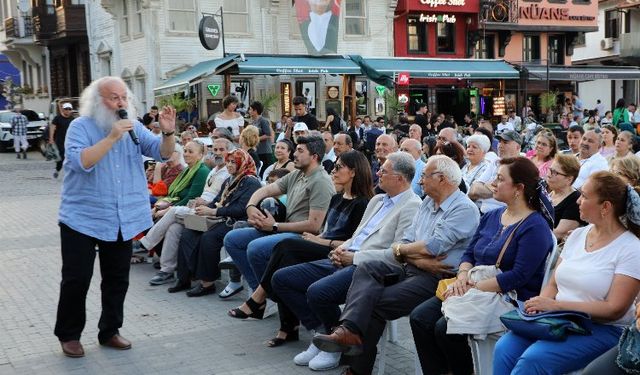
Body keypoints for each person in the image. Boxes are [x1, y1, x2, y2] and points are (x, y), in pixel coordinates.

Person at [313, 156, 480, 375]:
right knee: (367, 267)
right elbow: (406, 242)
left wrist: (403, 251)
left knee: (373, 303)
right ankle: (348, 332)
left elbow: (433, 246)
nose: (420, 181)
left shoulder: (463, 208)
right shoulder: (428, 202)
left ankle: (355, 360)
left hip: (437, 279)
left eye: (424, 176)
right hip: (412, 268)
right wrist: (409, 254)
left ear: (441, 179)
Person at [54, 76, 177, 357]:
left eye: (124, 97)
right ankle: (69, 335)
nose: (121, 102)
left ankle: (110, 330)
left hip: (122, 216)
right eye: (114, 97)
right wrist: (112, 137)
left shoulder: (134, 128)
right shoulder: (80, 127)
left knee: (117, 278)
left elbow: (162, 154)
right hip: (82, 217)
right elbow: (80, 161)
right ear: (99, 101)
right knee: (77, 278)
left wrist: (167, 134)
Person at [272, 152, 422, 371]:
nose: (377, 172)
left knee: (317, 292)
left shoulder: (412, 206)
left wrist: (355, 257)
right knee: (282, 279)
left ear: (400, 178)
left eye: (384, 170)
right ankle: (323, 332)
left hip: (368, 267)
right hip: (345, 257)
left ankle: (334, 344)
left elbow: (397, 254)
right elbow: (359, 234)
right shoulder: (378, 199)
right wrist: (341, 248)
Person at [412, 157, 554, 375]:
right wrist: (461, 278)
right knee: (420, 318)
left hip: (508, 296)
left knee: (445, 328)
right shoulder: (492, 215)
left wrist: (474, 287)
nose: (493, 184)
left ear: (519, 188)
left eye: (499, 179)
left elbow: (518, 276)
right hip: (472, 286)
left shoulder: (535, 227)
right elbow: (470, 252)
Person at [493, 171, 640, 375]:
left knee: (534, 359)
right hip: (560, 318)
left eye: (585, 196)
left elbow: (614, 309)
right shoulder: (579, 235)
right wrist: (540, 305)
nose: (578, 200)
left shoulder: (631, 248)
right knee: (504, 348)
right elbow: (554, 283)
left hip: (602, 328)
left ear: (605, 207)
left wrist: (555, 305)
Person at [230, 151, 373, 352]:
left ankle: (259, 299)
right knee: (283, 261)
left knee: (285, 246)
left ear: (354, 172)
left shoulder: (363, 204)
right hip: (321, 244)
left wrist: (319, 240)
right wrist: (318, 239)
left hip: (335, 252)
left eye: (339, 167)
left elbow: (353, 243)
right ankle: (288, 327)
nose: (334, 171)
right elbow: (326, 229)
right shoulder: (338, 198)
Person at [224, 135, 335, 301]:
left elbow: (313, 225)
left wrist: (274, 226)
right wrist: (251, 206)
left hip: (303, 237)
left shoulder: (321, 181)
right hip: (283, 228)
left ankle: (269, 295)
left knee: (255, 248)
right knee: (232, 239)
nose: (294, 154)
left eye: (299, 151)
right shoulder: (298, 174)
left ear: (314, 157)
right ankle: (260, 295)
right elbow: (267, 190)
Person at [169, 149, 262, 296]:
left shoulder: (251, 182)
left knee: (209, 238)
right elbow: (217, 201)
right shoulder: (230, 180)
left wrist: (212, 211)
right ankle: (185, 277)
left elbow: (241, 209)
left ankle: (208, 283)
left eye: (233, 162)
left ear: (242, 163)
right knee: (188, 233)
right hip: (221, 219)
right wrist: (205, 208)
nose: (229, 165)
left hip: (238, 223)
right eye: (228, 161)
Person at [144, 141, 211, 286]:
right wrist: (162, 205)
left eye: (190, 151)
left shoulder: (202, 171)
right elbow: (174, 194)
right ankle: (167, 270)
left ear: (200, 155)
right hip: (180, 210)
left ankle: (147, 242)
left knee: (167, 214)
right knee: (172, 229)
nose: (186, 154)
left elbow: (191, 198)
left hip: (193, 211)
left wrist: (166, 209)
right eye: (185, 150)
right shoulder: (187, 170)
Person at [469, 130, 523, 214]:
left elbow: (513, 195)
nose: (500, 145)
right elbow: (474, 190)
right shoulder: (496, 161)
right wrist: (499, 190)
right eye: (499, 142)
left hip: (504, 215)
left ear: (518, 147)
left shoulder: (522, 165)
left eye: (505, 142)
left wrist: (487, 185)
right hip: (483, 213)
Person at [545, 154, 584, 241]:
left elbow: (558, 234)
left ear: (569, 179)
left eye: (555, 172)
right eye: (550, 170)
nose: (549, 175)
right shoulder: (548, 192)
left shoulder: (575, 201)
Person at [249, 101, 273, 177]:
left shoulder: (263, 121)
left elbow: (268, 134)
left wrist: (256, 139)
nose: (249, 111)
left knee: (265, 172)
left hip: (264, 151)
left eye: (250, 109)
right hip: (256, 150)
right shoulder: (252, 122)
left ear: (255, 111)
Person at [50, 102, 74, 177]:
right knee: (62, 157)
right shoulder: (57, 118)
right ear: (63, 110)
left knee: (71, 156)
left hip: (70, 141)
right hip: (60, 141)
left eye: (69, 109)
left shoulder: (72, 119)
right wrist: (51, 138)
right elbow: (52, 128)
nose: (68, 110)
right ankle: (57, 170)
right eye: (66, 109)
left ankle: (69, 172)